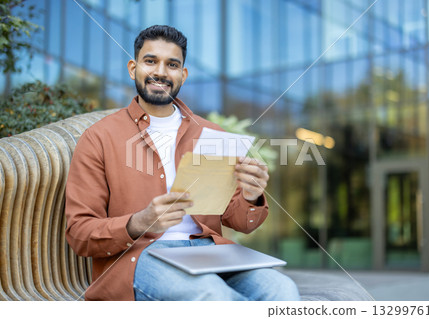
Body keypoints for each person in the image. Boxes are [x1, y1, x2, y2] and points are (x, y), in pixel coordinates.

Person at [65, 25, 300, 301]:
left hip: (208, 252)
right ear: (133, 68)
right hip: (141, 256)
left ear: (183, 75)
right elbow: (79, 232)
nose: (161, 72)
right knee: (212, 296)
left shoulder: (211, 135)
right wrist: (140, 221)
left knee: (283, 291)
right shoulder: (99, 138)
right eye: (150, 61)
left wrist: (251, 194)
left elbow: (240, 222)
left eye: (172, 64)